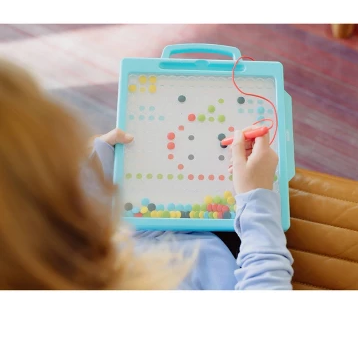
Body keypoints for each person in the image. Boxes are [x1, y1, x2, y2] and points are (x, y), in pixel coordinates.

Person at [0, 59, 293, 290]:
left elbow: (78, 231)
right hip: (240, 247)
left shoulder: (45, 258)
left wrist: (94, 172)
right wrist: (257, 201)